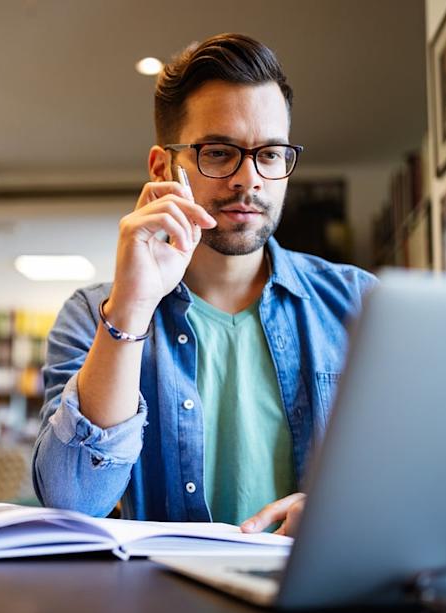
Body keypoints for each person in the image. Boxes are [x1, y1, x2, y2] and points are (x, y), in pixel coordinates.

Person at [31, 33, 376, 536]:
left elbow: (426, 475)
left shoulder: (358, 304)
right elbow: (73, 502)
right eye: (219, 152)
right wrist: (132, 306)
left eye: (270, 154)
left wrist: (349, 511)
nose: (249, 180)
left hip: (316, 604)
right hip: (160, 609)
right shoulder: (93, 314)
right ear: (163, 167)